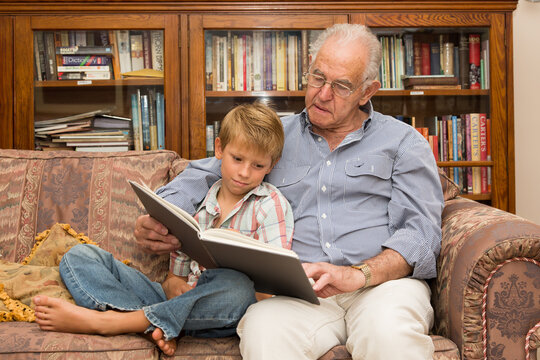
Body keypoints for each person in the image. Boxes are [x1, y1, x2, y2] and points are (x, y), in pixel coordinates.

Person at [135, 23, 445, 360]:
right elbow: (203, 173)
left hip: (381, 288)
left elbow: (421, 235)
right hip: (299, 297)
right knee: (263, 329)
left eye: (341, 86)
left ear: (367, 92)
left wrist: (359, 275)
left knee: (389, 335)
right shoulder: (274, 136)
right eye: (318, 77)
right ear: (308, 68)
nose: (323, 94)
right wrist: (163, 215)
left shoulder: (403, 142)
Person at [33, 102, 294, 356]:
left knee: (236, 288)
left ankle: (112, 322)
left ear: (272, 165)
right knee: (78, 256)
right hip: (179, 305)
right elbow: (174, 280)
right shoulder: (200, 202)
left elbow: (268, 294)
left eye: (258, 166)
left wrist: (241, 253)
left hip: (222, 308)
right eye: (237, 159)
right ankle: (154, 326)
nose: (244, 172)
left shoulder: (271, 206)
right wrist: (174, 287)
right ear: (219, 149)